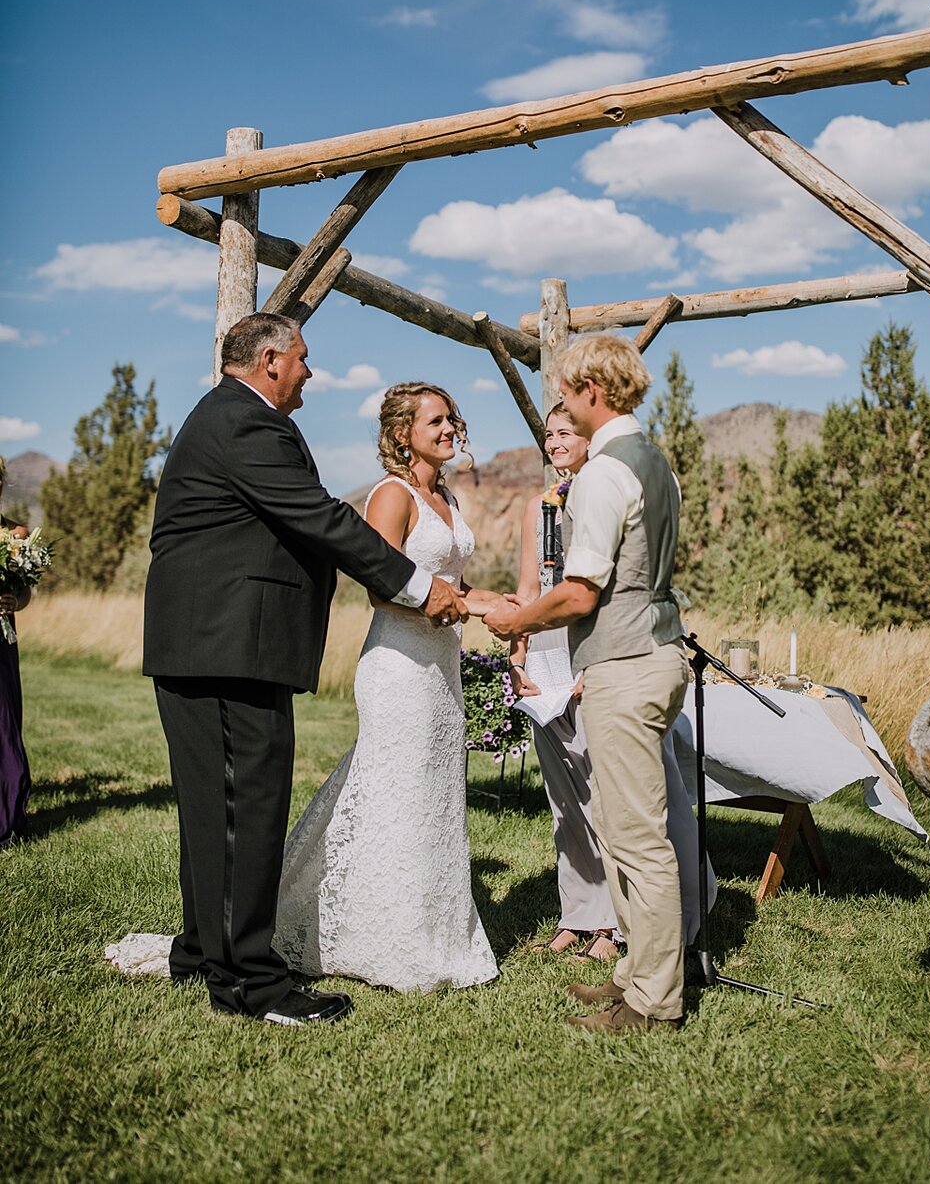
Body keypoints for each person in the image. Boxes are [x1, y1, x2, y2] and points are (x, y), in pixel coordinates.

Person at [124, 314, 468, 1028]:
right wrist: (417, 586)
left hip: (215, 643)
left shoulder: (229, 418)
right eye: (304, 359)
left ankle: (201, 948)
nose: (310, 371)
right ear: (272, 360)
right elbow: (318, 518)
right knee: (241, 810)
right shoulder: (246, 422)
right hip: (226, 646)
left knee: (214, 809)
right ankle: (252, 982)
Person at [486, 334, 689, 1033]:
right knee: (619, 821)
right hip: (656, 652)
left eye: (568, 396)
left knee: (635, 839)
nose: (564, 409)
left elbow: (578, 594)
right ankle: (633, 973)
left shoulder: (604, 473)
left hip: (626, 664)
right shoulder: (654, 462)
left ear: (592, 394)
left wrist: (517, 615)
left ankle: (655, 1001)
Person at [273, 382, 502, 993]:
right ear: (403, 433)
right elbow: (381, 584)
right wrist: (450, 607)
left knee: (433, 794)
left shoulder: (447, 495)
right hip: (398, 665)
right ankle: (377, 932)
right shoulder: (392, 495)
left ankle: (433, 928)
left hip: (442, 663)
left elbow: (453, 583)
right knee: (394, 789)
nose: (450, 427)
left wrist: (500, 606)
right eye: (436, 420)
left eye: (452, 417)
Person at [510, 408, 711, 964]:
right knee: (565, 799)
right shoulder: (537, 507)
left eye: (565, 433)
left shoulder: (608, 489)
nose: (554, 442)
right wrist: (518, 654)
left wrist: (585, 670)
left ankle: (625, 924)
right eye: (548, 435)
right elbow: (530, 587)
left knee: (613, 798)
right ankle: (582, 913)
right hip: (547, 652)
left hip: (600, 650)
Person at [0, 457, 31, 849]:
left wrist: (14, 601)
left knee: (4, 724)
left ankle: (6, 817)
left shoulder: (15, 535)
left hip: (2, 640)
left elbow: (25, 593)